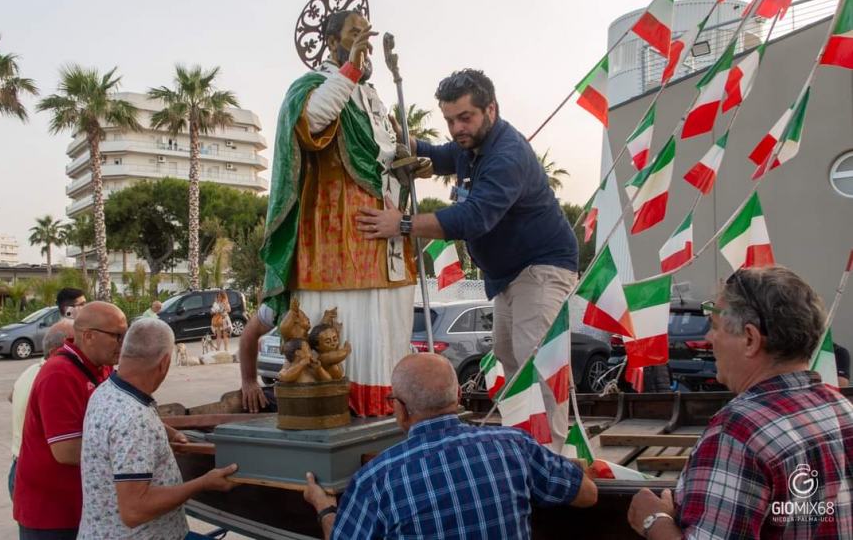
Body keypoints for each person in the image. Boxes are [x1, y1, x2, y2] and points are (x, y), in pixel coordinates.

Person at [357, 69, 579, 444]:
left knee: (537, 366)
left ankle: (552, 459)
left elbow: (474, 218)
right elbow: (436, 154)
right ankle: (524, 446)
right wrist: (401, 137)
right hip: (509, 274)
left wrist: (403, 224)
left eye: (465, 118)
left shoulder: (507, 155)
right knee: (512, 361)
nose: (457, 128)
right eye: (449, 120)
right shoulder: (469, 147)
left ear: (490, 109)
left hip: (541, 268)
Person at [244, 8, 428, 416]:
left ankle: (393, 409)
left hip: (388, 235)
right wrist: (349, 69)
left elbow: (386, 156)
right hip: (336, 233)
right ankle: (353, 410)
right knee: (351, 328)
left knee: (389, 326)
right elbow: (312, 122)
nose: (364, 38)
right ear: (331, 41)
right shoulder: (314, 85)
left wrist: (409, 165)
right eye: (354, 32)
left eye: (367, 32)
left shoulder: (375, 98)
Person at [628, 267, 853, 539]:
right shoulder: (843, 411)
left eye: (713, 327)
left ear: (750, 339)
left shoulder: (737, 434)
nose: (708, 339)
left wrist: (655, 520)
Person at [303, 353, 597, 539]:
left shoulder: (375, 481)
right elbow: (588, 494)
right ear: (458, 396)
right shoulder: (513, 445)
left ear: (400, 409)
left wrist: (324, 509)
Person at [78, 319, 238, 539]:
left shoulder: (108, 390)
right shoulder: (133, 418)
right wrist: (202, 483)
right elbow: (134, 510)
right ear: (164, 363)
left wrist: (166, 434)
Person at [13, 301, 126, 539]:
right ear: (88, 336)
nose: (122, 343)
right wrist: (131, 450)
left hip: (83, 505)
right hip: (52, 513)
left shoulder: (100, 367)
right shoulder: (59, 374)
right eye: (117, 336)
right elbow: (66, 451)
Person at [8, 320, 74, 501]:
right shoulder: (54, 378)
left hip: (18, 464)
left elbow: (10, 396)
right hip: (38, 473)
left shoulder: (31, 370)